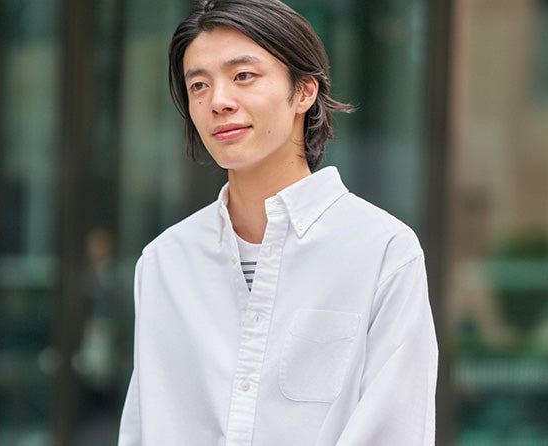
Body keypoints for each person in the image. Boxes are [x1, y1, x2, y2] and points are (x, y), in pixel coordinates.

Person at [118, 0, 437, 444]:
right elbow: (146, 426)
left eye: (243, 76)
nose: (219, 102)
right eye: (199, 86)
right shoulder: (165, 263)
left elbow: (394, 430)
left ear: (304, 92)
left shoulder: (382, 252)